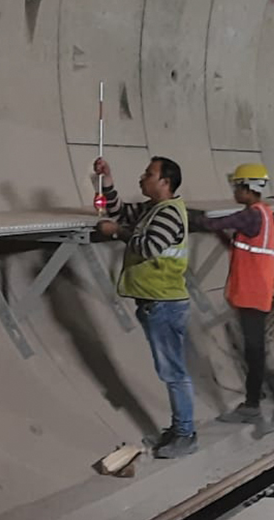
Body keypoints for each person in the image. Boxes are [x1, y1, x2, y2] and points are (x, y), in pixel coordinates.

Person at [93, 156, 197, 459]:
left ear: (165, 182)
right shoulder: (153, 209)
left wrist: (116, 232)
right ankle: (180, 428)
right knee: (171, 370)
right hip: (157, 302)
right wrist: (108, 180)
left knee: (173, 372)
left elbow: (148, 246)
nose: (142, 178)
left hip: (164, 303)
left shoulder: (169, 214)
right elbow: (120, 212)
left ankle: (186, 434)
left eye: (148, 174)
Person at [189, 163, 274, 431]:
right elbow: (235, 242)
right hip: (253, 293)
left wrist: (188, 216)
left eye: (237, 186)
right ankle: (252, 403)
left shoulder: (250, 216)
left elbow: (213, 222)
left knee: (257, 352)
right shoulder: (263, 214)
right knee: (252, 350)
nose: (235, 191)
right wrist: (216, 230)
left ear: (249, 188)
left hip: (251, 294)